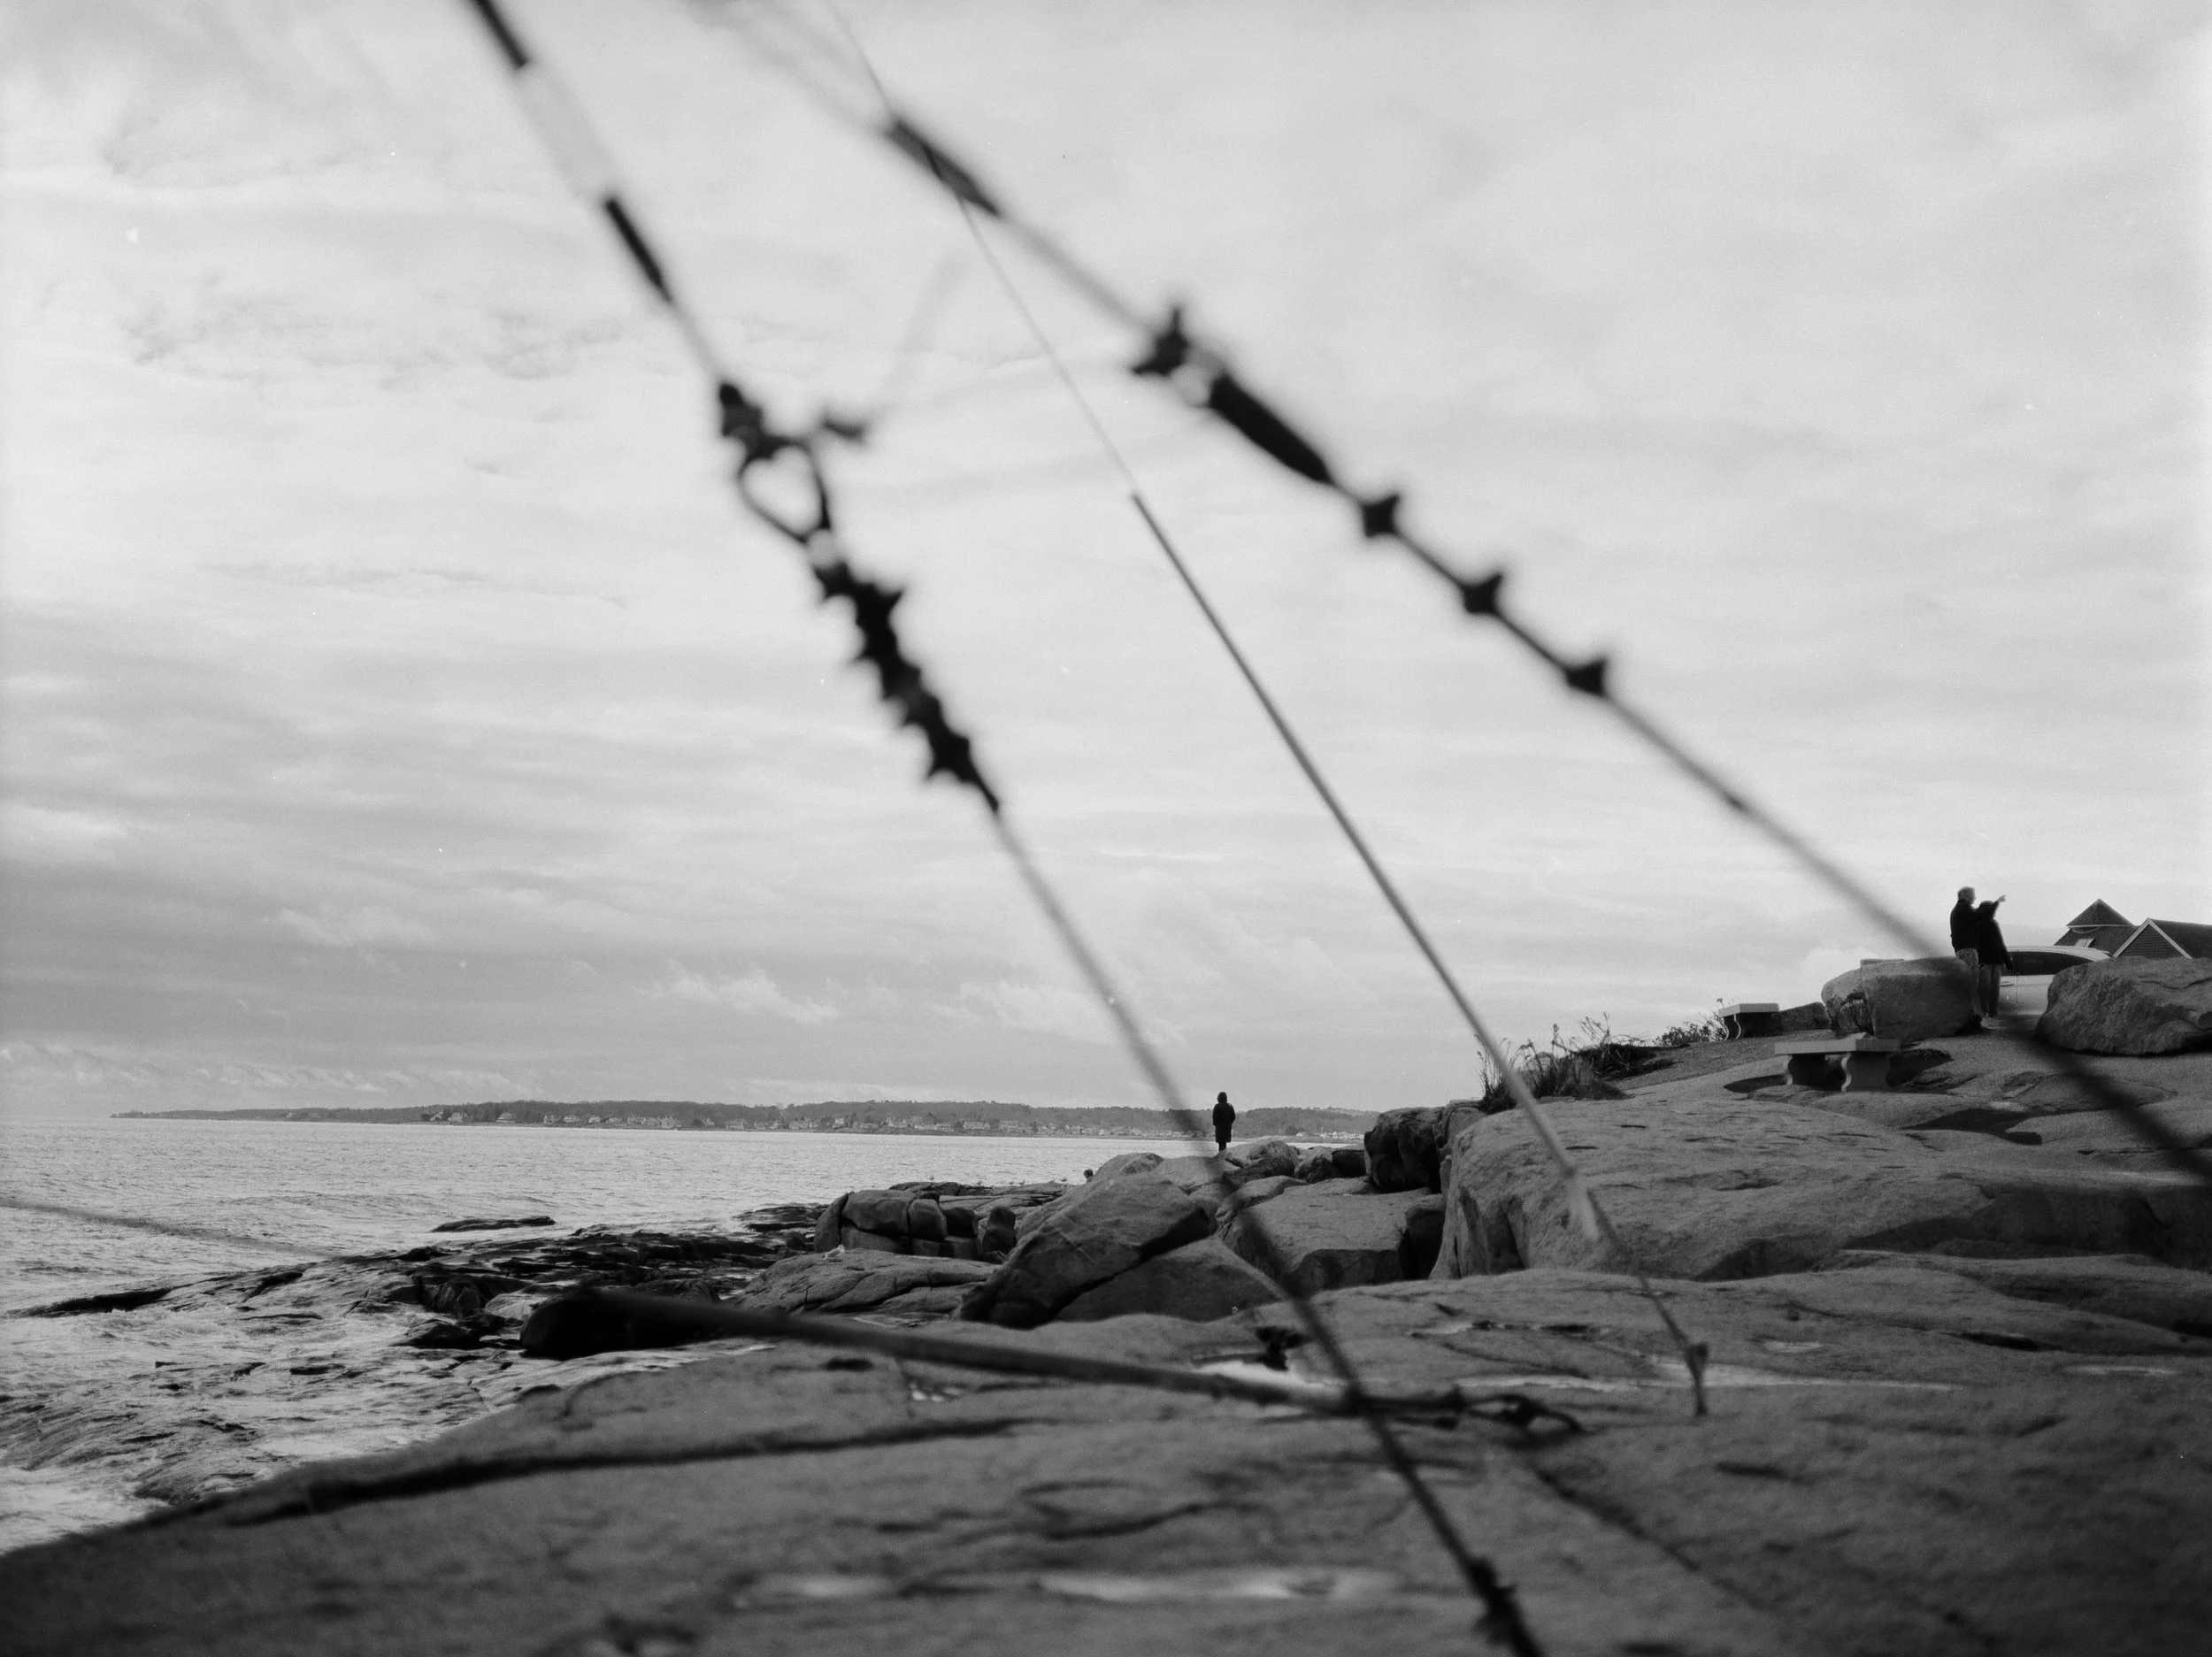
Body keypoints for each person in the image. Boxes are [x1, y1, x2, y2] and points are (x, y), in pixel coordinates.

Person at [1974, 895, 2010, 1023]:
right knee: (1985, 989)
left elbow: (2000, 943)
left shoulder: (1993, 924)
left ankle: (1992, 1013)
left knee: (1994, 989)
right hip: (1986, 962)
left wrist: (2007, 961)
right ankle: (1983, 1013)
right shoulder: (1979, 924)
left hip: (1996, 961)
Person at [1949, 886, 1984, 1019]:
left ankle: (1969, 1016)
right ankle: (1972, 1017)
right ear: (1967, 896)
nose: (1975, 897)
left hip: (1961, 950)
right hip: (1968, 950)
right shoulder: (1965, 909)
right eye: (1973, 895)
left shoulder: (1957, 910)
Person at [1210, 1091, 1235, 1155]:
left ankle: (1221, 1155)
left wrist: (1215, 1124)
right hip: (1227, 1128)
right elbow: (1233, 1116)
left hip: (1219, 1128)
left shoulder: (1217, 1106)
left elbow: (1214, 1117)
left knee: (1221, 1143)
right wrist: (1229, 1123)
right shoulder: (1230, 1106)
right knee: (1224, 1143)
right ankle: (1223, 1155)